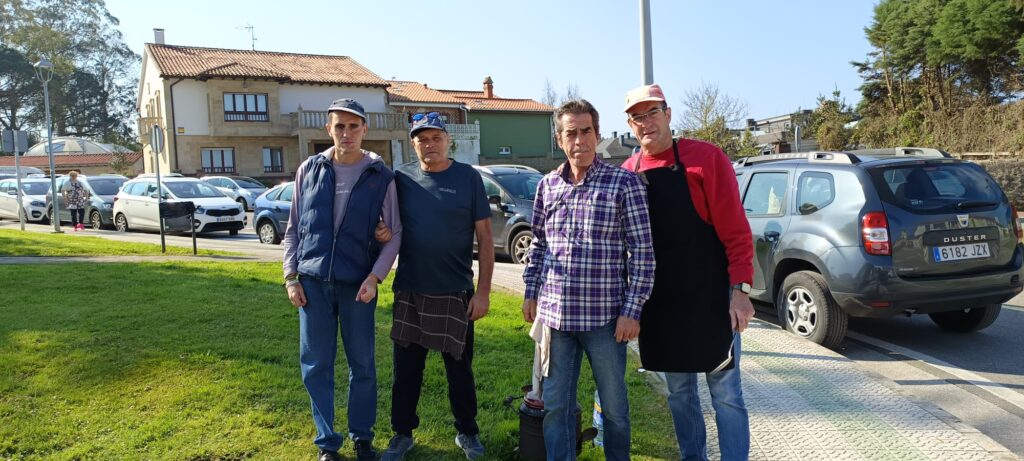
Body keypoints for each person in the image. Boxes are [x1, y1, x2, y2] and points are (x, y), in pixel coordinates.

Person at [621, 84, 755, 461]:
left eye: (652, 112)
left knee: (726, 394)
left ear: (668, 114)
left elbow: (736, 231)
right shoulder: (628, 172)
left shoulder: (706, 158)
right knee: (679, 394)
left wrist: (740, 292)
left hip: (711, 297)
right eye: (637, 117)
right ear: (630, 125)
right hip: (662, 304)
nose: (646, 122)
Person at [522, 99, 655, 461]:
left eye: (586, 131)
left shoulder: (623, 183)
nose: (579, 140)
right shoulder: (548, 186)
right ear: (559, 139)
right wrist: (531, 291)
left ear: (597, 135)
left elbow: (642, 251)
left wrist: (632, 310)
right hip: (556, 319)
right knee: (555, 408)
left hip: (605, 320)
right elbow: (539, 244)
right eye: (571, 133)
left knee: (614, 409)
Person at [282, 98, 402, 461]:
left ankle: (362, 437)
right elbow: (293, 229)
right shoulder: (309, 170)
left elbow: (394, 233)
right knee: (316, 366)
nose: (346, 133)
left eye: (353, 126)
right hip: (312, 284)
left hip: (358, 286)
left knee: (362, 365)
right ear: (328, 129)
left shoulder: (381, 176)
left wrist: (375, 277)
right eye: (339, 126)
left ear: (364, 130)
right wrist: (291, 277)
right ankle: (327, 443)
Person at [376, 112, 493, 461]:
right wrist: (383, 232)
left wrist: (483, 292)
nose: (430, 144)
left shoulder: (468, 178)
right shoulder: (401, 178)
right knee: (405, 372)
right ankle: (402, 434)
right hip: (410, 290)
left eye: (436, 138)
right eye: (422, 139)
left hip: (456, 290)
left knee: (460, 370)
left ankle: (467, 431)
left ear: (448, 140)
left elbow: (486, 238)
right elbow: (388, 224)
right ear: (413, 144)